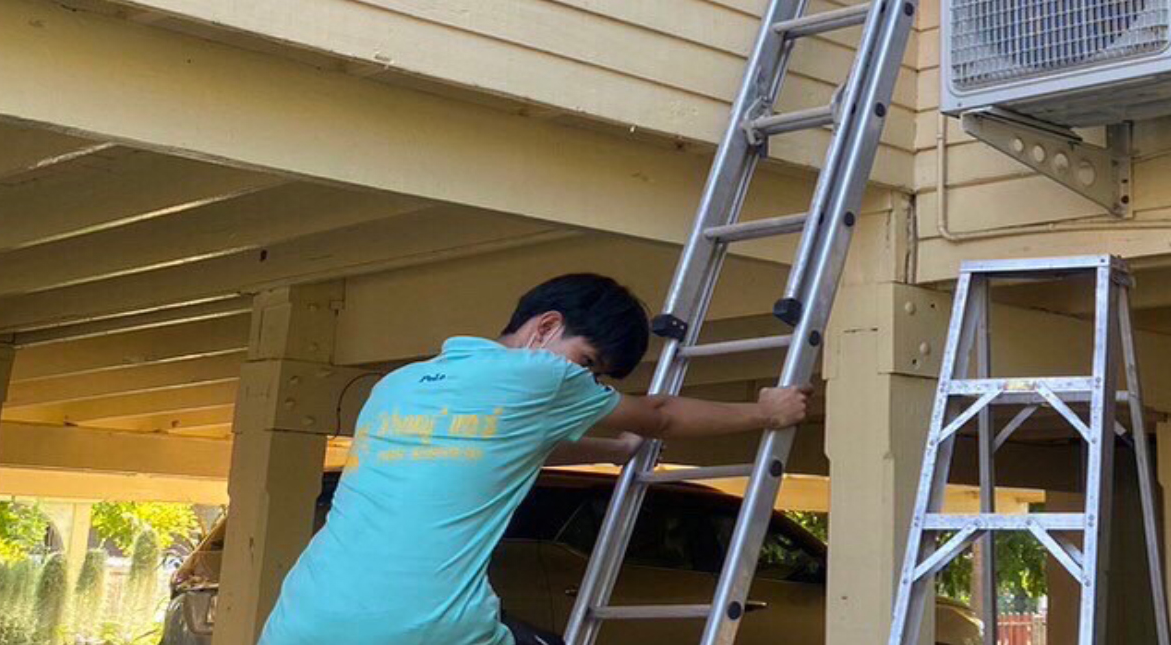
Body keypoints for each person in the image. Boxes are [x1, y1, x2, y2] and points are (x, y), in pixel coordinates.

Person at [257, 274, 810, 645]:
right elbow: (660, 414)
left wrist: (612, 451)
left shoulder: (397, 386)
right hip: (424, 625)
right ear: (544, 327)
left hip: (301, 618)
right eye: (588, 363)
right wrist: (766, 413)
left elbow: (500, 446)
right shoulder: (540, 376)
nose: (586, 382)